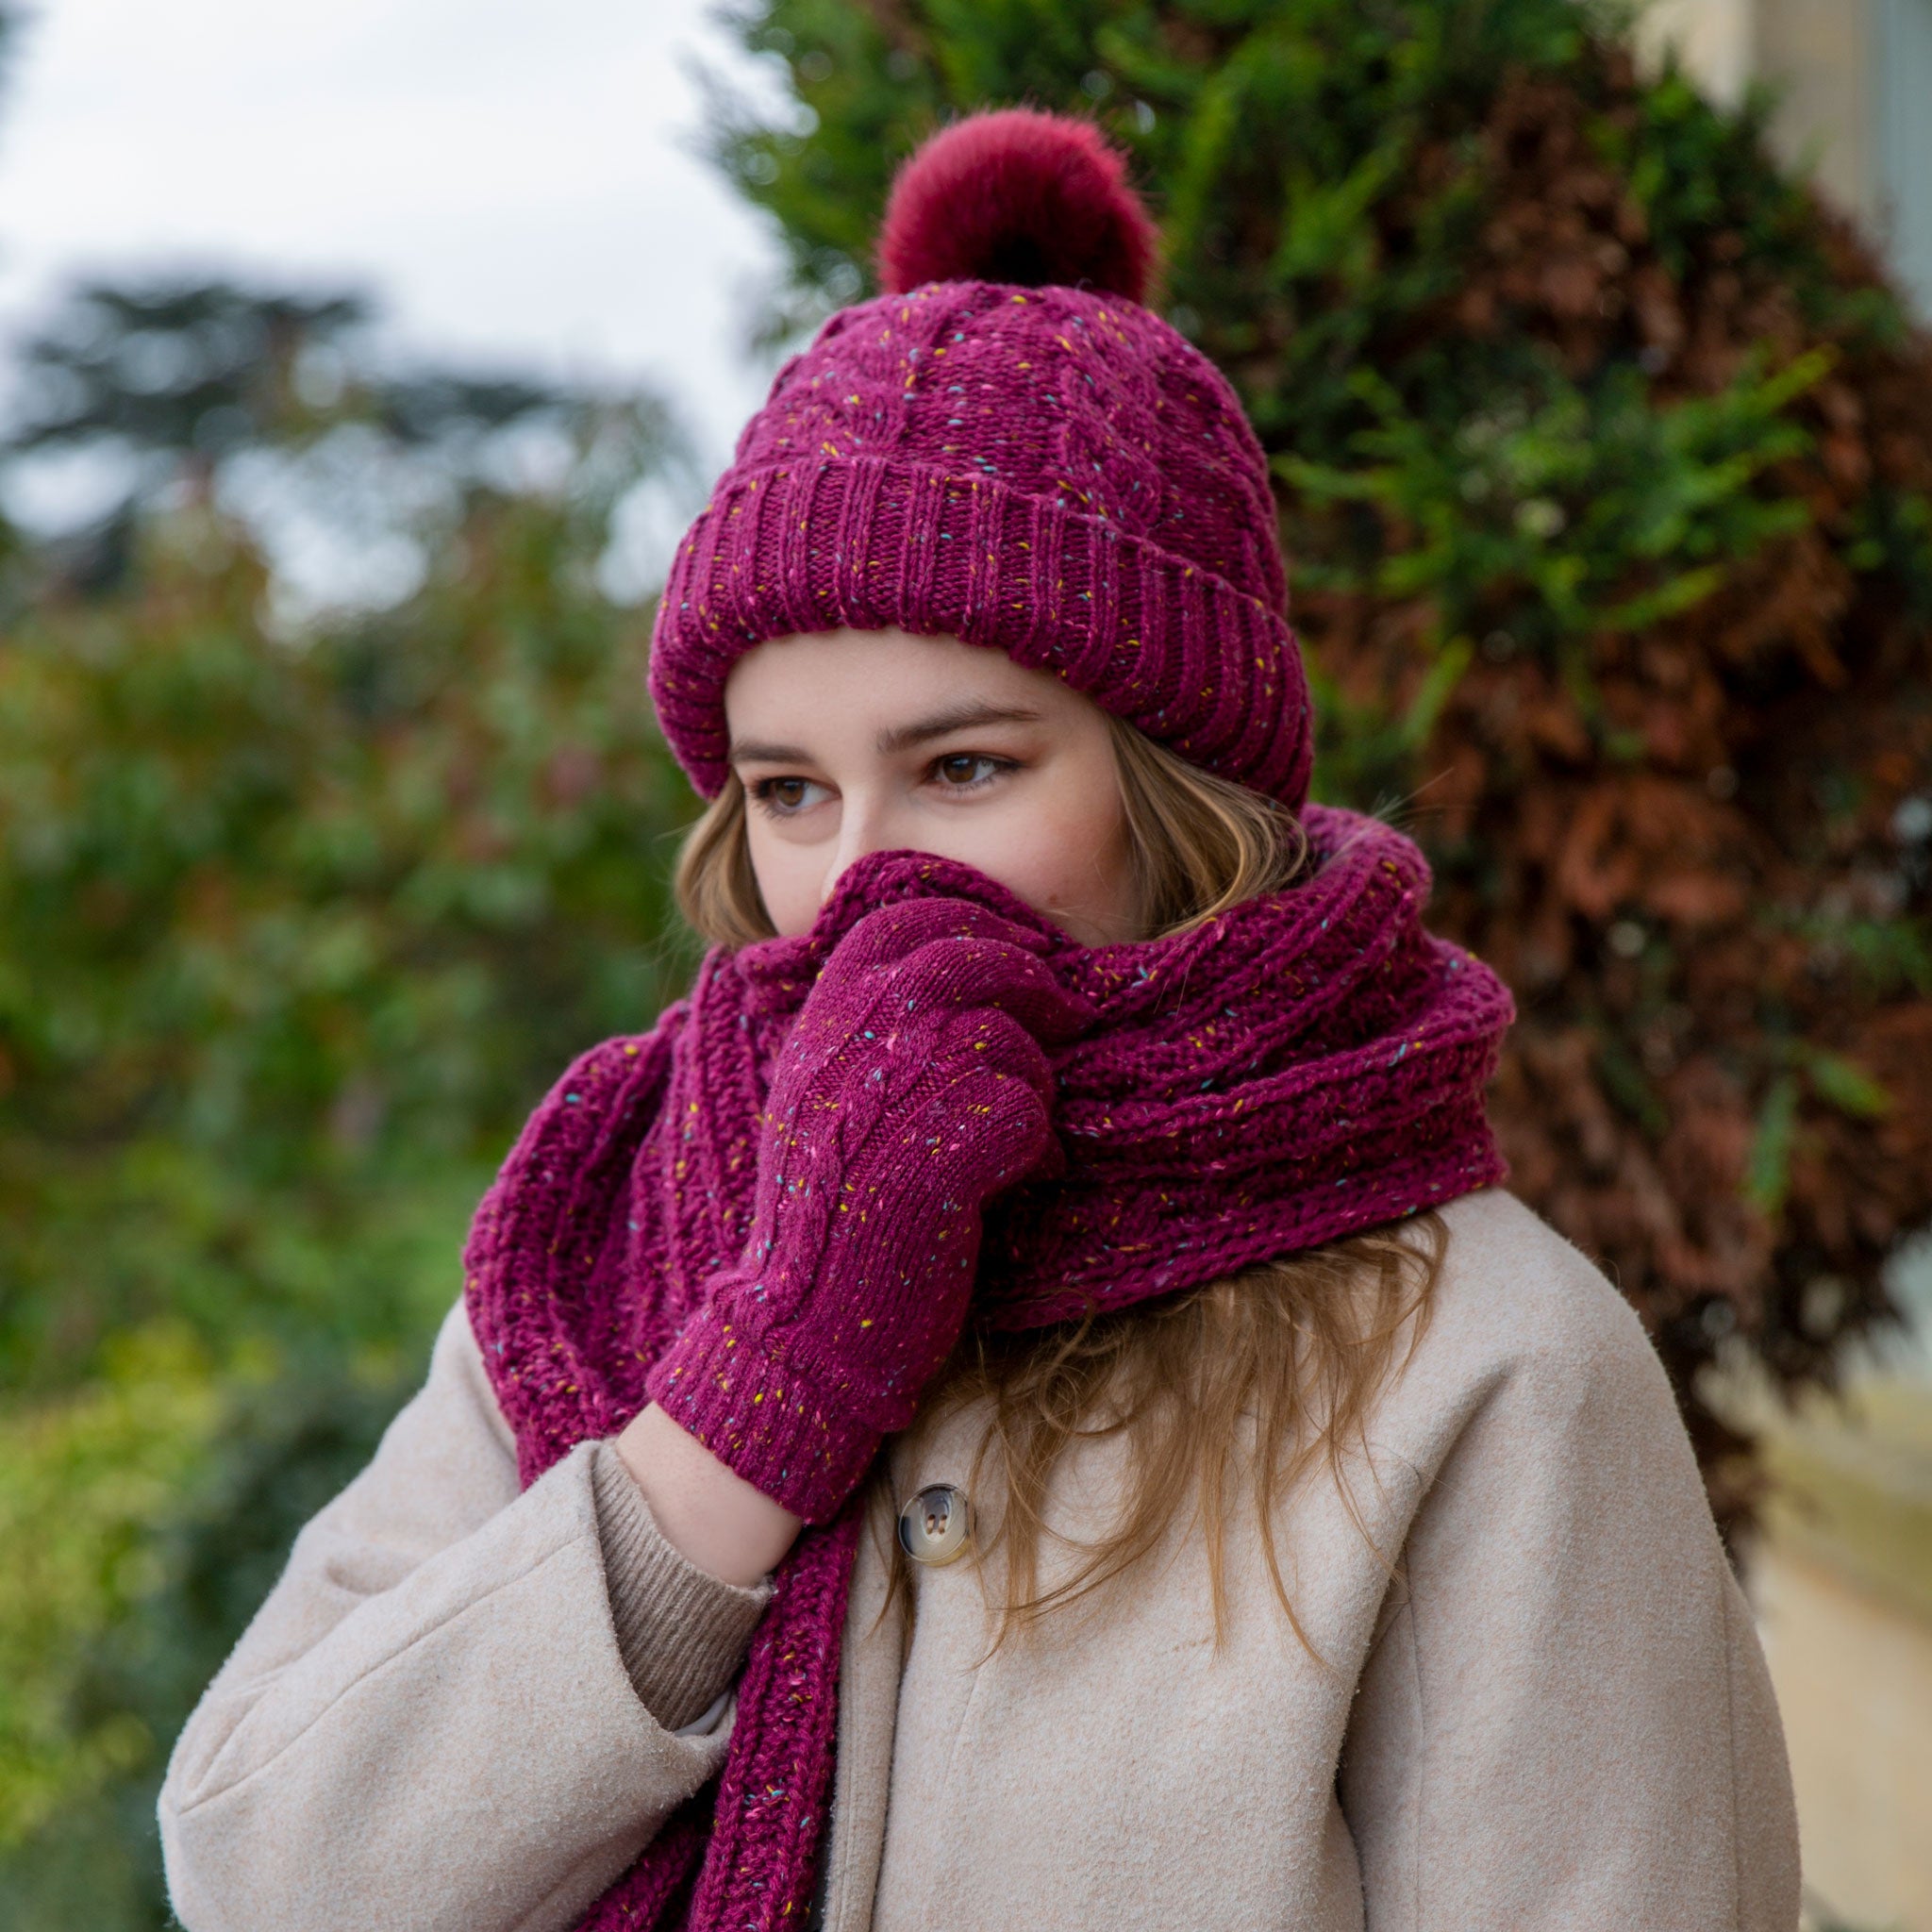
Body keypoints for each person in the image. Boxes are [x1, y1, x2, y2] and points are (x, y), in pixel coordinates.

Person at [158, 108, 1801, 1932]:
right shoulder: (624, 1245)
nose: (861, 876)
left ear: (1179, 788)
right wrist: (751, 1406)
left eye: (961, 765)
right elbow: (262, 1868)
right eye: (789, 792)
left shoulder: (1485, 1365)